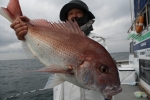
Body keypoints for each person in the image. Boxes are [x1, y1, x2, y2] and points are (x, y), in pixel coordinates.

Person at [10, 0, 107, 100]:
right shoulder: (57, 36)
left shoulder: (97, 41)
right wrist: (26, 34)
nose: (74, 16)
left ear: (86, 16)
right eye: (70, 13)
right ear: (66, 18)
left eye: (78, 12)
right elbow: (43, 49)